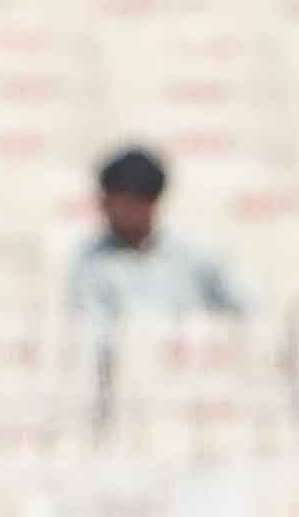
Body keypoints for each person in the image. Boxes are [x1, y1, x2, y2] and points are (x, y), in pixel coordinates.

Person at [67, 146, 248, 426]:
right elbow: (92, 335)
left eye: (119, 201)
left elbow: (246, 309)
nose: (107, 209)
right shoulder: (91, 264)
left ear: (149, 203)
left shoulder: (193, 255)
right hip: (129, 402)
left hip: (196, 397)